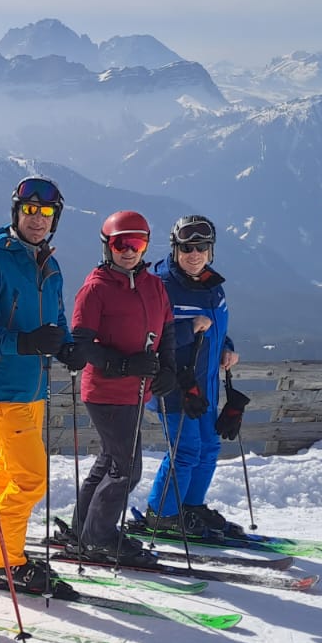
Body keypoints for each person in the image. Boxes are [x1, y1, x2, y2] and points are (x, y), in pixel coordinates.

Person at [0, 176, 80, 595]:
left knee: (8, 471)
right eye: (29, 210)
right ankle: (3, 562)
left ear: (54, 219)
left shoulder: (48, 264)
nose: (37, 219)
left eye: (45, 213)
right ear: (16, 212)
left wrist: (66, 346)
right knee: (31, 478)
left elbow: (57, 317)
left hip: (32, 388)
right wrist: (23, 343)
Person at [69, 210, 177, 560]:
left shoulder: (153, 285)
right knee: (127, 469)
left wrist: (168, 368)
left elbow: (167, 330)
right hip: (107, 392)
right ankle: (99, 537)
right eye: (120, 244)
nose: (129, 251)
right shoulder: (96, 288)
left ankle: (83, 529)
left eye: (137, 243)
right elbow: (82, 344)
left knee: (110, 460)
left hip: (136, 391)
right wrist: (125, 365)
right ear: (107, 246)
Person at [142, 214, 242, 537]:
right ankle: (162, 513)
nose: (194, 254)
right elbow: (148, 337)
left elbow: (216, 329)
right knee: (185, 450)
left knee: (209, 446)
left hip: (207, 385)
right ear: (175, 249)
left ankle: (191, 506)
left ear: (211, 250)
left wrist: (226, 347)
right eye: (186, 248)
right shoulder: (161, 285)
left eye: (201, 247)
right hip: (175, 386)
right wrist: (188, 328)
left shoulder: (212, 285)